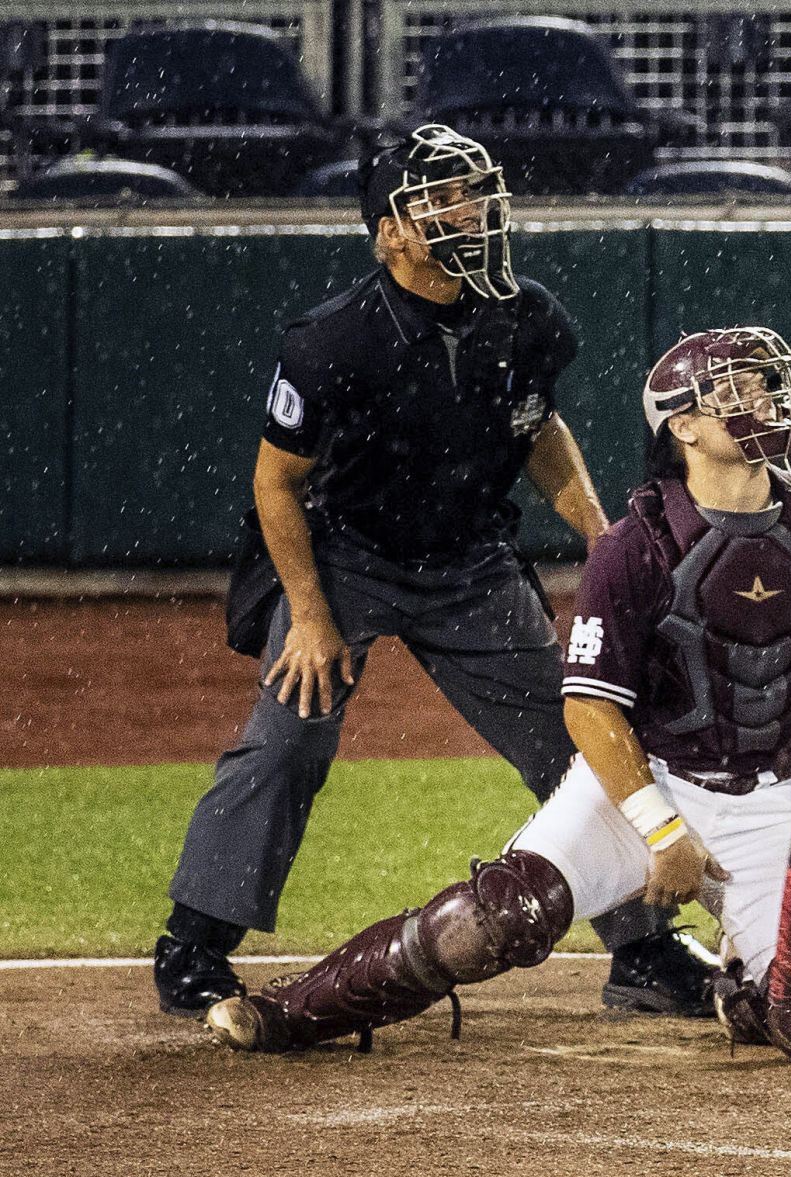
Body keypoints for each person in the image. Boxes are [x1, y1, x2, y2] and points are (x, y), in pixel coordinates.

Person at [203, 326, 791, 1065]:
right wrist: (664, 833)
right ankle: (290, 1010)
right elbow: (588, 706)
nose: (765, 398)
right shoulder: (637, 546)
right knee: (496, 919)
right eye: (736, 388)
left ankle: (745, 987)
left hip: (768, 800)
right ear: (685, 427)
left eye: (766, 382)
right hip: (648, 781)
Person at [153, 123, 721, 1024]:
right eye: (442, 199)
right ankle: (193, 946)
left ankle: (643, 949)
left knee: (580, 738)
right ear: (389, 234)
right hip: (345, 555)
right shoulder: (331, 341)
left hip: (472, 561)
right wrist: (308, 613)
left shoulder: (527, 315)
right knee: (291, 735)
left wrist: (605, 539)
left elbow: (539, 433)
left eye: (476, 190)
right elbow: (275, 483)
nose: (473, 210)